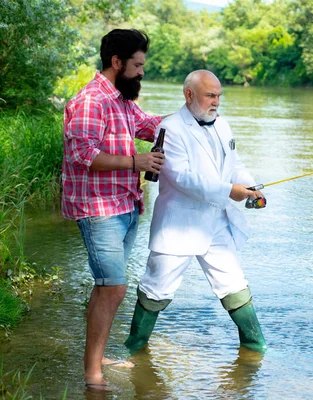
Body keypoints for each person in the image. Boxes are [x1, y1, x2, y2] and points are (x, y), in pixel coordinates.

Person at [124, 70, 267, 355]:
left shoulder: (223, 125)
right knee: (156, 289)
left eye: (218, 96)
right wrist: (229, 190)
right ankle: (134, 348)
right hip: (179, 225)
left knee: (234, 284)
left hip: (216, 221)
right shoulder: (170, 128)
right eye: (210, 95)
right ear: (189, 94)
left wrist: (251, 186)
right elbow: (183, 178)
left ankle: (255, 347)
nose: (216, 102)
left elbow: (234, 165)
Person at [62, 29, 167, 392]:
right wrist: (136, 161)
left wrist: (193, 110)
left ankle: (97, 356)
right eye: (137, 65)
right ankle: (92, 375)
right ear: (117, 62)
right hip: (99, 210)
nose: (142, 72)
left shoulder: (121, 99)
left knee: (105, 287)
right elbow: (84, 155)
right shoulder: (93, 100)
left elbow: (150, 124)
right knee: (114, 290)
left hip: (124, 206)